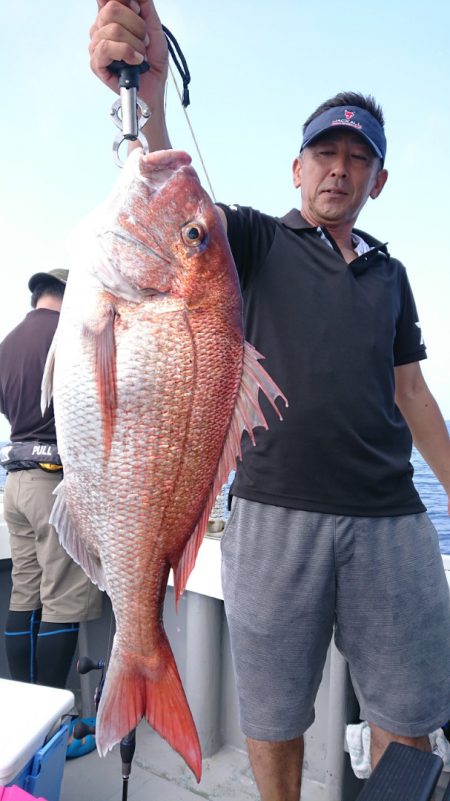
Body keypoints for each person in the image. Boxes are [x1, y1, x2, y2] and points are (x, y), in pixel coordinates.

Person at [89, 3, 450, 799]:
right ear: (297, 168)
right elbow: (169, 208)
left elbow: (414, 392)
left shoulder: (392, 275)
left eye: (359, 159)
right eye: (325, 151)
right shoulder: (249, 240)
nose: (339, 169)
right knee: (275, 709)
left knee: (408, 709)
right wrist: (145, 94)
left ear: (379, 181)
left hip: (392, 515)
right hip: (272, 512)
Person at [0, 269, 103, 700]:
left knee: (25, 590)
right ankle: (51, 721)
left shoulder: (7, 345)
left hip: (15, 483)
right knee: (62, 597)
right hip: (54, 484)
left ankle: (25, 708)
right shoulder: (70, 336)